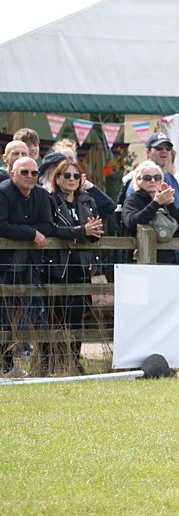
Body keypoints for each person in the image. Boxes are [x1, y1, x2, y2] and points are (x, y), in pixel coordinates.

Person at [44, 159, 104, 374]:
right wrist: (81, 231)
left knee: (77, 316)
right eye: (67, 176)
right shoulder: (49, 200)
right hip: (59, 265)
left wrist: (94, 234)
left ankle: (74, 361)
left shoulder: (87, 200)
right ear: (57, 178)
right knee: (57, 316)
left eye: (76, 176)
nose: (71, 180)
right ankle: (54, 363)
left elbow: (96, 228)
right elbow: (51, 229)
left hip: (82, 264)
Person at [0, 157, 54, 373]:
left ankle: (12, 364)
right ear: (12, 173)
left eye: (34, 173)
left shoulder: (41, 194)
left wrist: (26, 230)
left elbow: (48, 224)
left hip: (30, 266)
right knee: (4, 315)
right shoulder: (3, 192)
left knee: (24, 316)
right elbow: (1, 225)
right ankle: (6, 365)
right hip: (4, 265)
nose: (30, 177)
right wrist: (31, 232)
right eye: (24, 172)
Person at [122, 160, 179, 264]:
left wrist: (170, 204)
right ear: (138, 181)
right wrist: (156, 203)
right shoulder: (133, 200)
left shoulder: (165, 199)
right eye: (147, 178)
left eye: (157, 178)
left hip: (169, 260)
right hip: (141, 259)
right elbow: (132, 222)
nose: (153, 180)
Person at [126, 133, 179, 212]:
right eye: (159, 147)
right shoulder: (138, 178)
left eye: (168, 148)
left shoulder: (171, 178)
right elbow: (132, 216)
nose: (164, 151)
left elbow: (178, 210)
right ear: (148, 152)